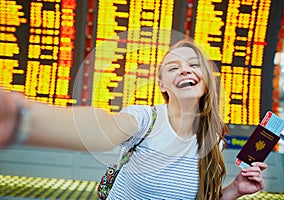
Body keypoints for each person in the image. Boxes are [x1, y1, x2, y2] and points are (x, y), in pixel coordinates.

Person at [0, 39, 267, 200]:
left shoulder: (214, 139)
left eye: (194, 64)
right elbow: (106, 128)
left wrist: (235, 190)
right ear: (162, 84)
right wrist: (22, 118)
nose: (185, 69)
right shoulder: (144, 119)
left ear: (206, 79)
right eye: (174, 67)